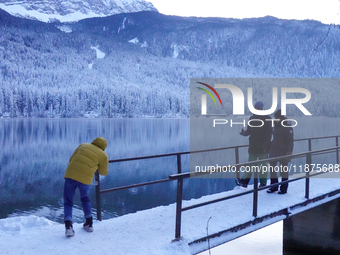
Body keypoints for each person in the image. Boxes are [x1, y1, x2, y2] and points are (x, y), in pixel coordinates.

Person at [63, 137, 109, 237]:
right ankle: (89, 224)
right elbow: (103, 172)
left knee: (68, 201)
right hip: (85, 178)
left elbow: (71, 159)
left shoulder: (83, 145)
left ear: (94, 141)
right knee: (85, 198)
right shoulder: (103, 155)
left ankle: (68, 228)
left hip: (71, 174)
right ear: (103, 147)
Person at [235, 101, 272, 188]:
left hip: (263, 147)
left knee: (262, 166)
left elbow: (269, 134)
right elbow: (249, 131)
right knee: (250, 164)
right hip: (253, 146)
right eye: (255, 108)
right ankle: (244, 181)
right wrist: (244, 133)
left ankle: (263, 183)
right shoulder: (252, 118)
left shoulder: (267, 119)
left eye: (257, 108)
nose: (255, 109)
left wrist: (266, 146)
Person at [267, 109, 294, 194]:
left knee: (284, 171)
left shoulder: (287, 127)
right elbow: (275, 139)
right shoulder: (276, 126)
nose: (274, 118)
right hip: (274, 151)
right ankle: (274, 186)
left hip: (283, 152)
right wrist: (269, 147)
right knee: (272, 170)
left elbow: (290, 141)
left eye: (276, 117)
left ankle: (284, 188)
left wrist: (289, 153)